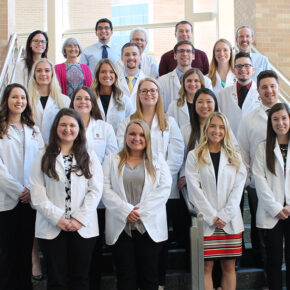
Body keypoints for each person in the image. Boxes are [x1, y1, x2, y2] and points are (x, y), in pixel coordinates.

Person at [116, 78, 184, 289]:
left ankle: (159, 283)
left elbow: (176, 153)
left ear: (158, 94)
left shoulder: (169, 122)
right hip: (130, 190)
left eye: (153, 90)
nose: (149, 94)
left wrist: (158, 178)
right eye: (144, 91)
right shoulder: (127, 122)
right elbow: (119, 152)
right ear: (138, 95)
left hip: (162, 190)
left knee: (158, 240)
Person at [29, 108, 103, 290]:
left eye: (72, 125)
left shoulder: (89, 155)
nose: (67, 129)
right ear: (56, 127)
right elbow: (37, 194)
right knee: (57, 280)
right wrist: (59, 218)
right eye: (63, 124)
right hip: (52, 226)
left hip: (83, 227)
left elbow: (95, 191)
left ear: (79, 129)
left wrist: (78, 219)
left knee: (80, 279)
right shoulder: (43, 155)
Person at [102, 119, 172, 290]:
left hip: (149, 228)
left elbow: (164, 188)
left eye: (141, 135)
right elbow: (104, 188)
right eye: (132, 133)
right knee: (125, 279)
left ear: (147, 138)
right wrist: (125, 211)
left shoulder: (157, 160)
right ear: (126, 136)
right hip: (122, 228)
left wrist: (139, 212)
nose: (136, 138)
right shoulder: (112, 160)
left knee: (149, 279)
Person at [185, 112, 247, 290]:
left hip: (230, 220)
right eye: (212, 126)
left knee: (229, 267)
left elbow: (238, 190)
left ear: (226, 130)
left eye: (221, 127)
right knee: (206, 267)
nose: (216, 130)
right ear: (206, 128)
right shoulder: (194, 155)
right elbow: (194, 191)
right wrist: (212, 216)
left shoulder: (235, 156)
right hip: (206, 221)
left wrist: (225, 215)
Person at [0, 83, 44, 290]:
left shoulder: (33, 129)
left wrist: (30, 190)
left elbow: (42, 161)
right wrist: (19, 191)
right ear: (6, 101)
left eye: (23, 98)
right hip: (7, 199)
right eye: (14, 97)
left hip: (30, 198)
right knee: (7, 251)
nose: (19, 101)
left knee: (25, 250)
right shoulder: (1, 128)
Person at [237, 70, 281, 269]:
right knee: (261, 230)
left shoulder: (287, 115)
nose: (269, 91)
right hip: (258, 185)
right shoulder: (249, 119)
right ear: (258, 90)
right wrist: (248, 181)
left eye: (272, 86)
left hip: (285, 184)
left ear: (278, 88)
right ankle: (265, 272)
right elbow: (243, 151)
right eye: (264, 87)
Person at [253, 103, 290, 290]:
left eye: (284, 118)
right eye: (275, 119)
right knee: (273, 262)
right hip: (272, 213)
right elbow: (260, 182)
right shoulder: (262, 148)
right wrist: (276, 208)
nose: (280, 123)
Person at [159, 40, 212, 112]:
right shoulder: (162, 81)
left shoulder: (206, 81)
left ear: (193, 56)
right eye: (181, 51)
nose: (185, 54)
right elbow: (160, 109)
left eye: (188, 51)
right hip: (170, 122)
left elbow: (210, 108)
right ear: (175, 56)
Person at [28, 58, 70, 144]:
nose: (43, 74)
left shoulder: (64, 100)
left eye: (47, 70)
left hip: (56, 147)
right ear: (34, 74)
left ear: (52, 74)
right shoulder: (26, 99)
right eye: (39, 70)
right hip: (32, 146)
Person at [218, 51, 260, 137]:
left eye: (247, 66)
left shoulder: (261, 93)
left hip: (255, 143)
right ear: (234, 71)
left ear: (253, 70)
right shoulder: (222, 95)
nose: (243, 69)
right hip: (230, 143)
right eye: (239, 66)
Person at [91, 58, 134, 133]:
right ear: (97, 75)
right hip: (95, 142)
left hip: (118, 143)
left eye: (111, 72)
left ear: (115, 76)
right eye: (103, 72)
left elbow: (132, 124)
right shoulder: (90, 99)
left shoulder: (124, 100)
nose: (107, 75)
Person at [118, 42, 148, 112]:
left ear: (140, 57)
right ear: (122, 58)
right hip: (121, 122)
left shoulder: (148, 81)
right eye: (127, 55)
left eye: (134, 54)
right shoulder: (115, 82)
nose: (131, 57)